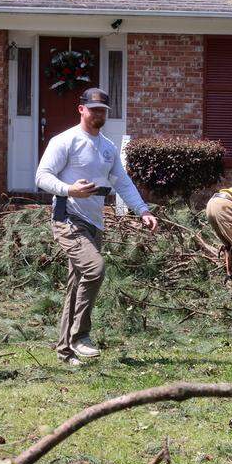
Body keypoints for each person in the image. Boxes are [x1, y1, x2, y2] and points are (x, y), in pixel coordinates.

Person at [35, 87, 158, 366]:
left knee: (76, 285)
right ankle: (81, 336)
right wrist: (69, 189)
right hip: (67, 218)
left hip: (94, 222)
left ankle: (65, 351)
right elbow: (42, 176)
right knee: (95, 268)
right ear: (81, 109)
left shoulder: (108, 148)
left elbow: (122, 182)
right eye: (93, 109)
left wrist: (143, 211)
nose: (98, 114)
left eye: (103, 110)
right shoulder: (65, 141)